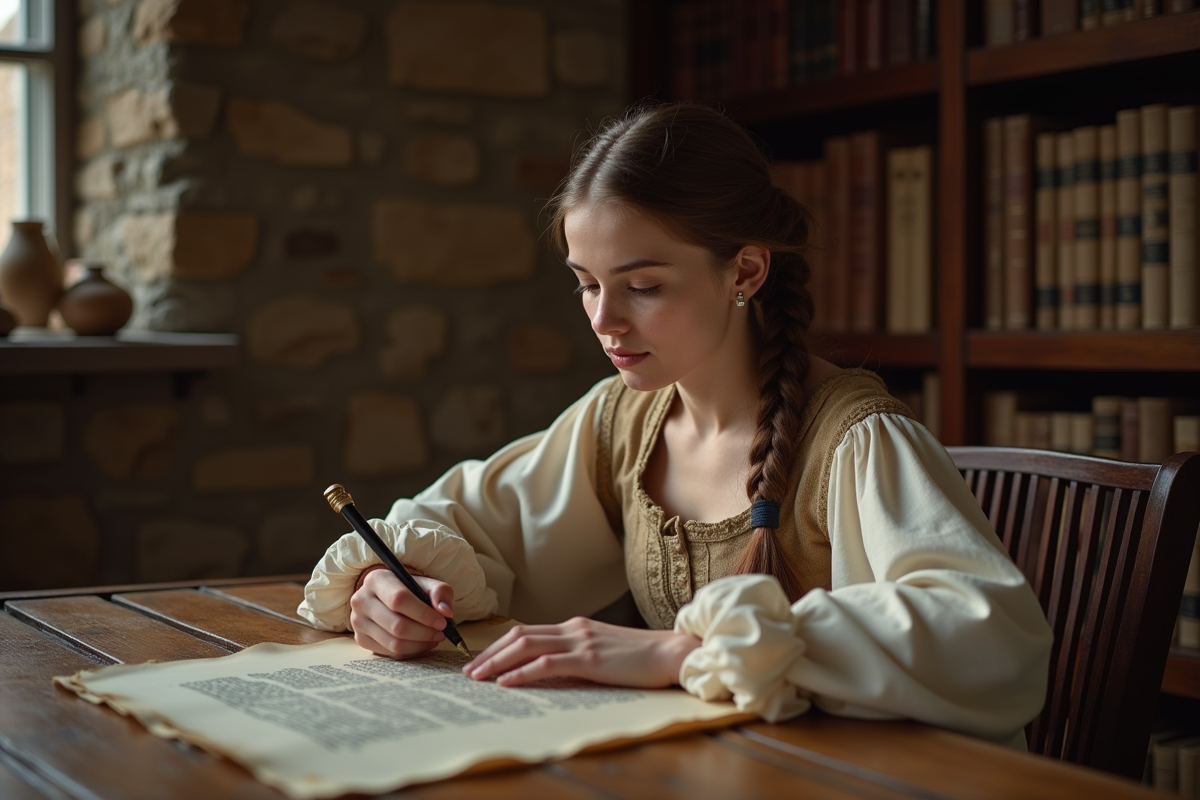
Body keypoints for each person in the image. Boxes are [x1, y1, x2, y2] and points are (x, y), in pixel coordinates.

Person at [299, 102, 1052, 749]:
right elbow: (469, 519)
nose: (604, 320)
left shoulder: (856, 440)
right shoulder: (623, 421)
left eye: (643, 285)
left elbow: (985, 633)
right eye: (586, 284)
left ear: (745, 273)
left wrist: (680, 650)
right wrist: (393, 583)